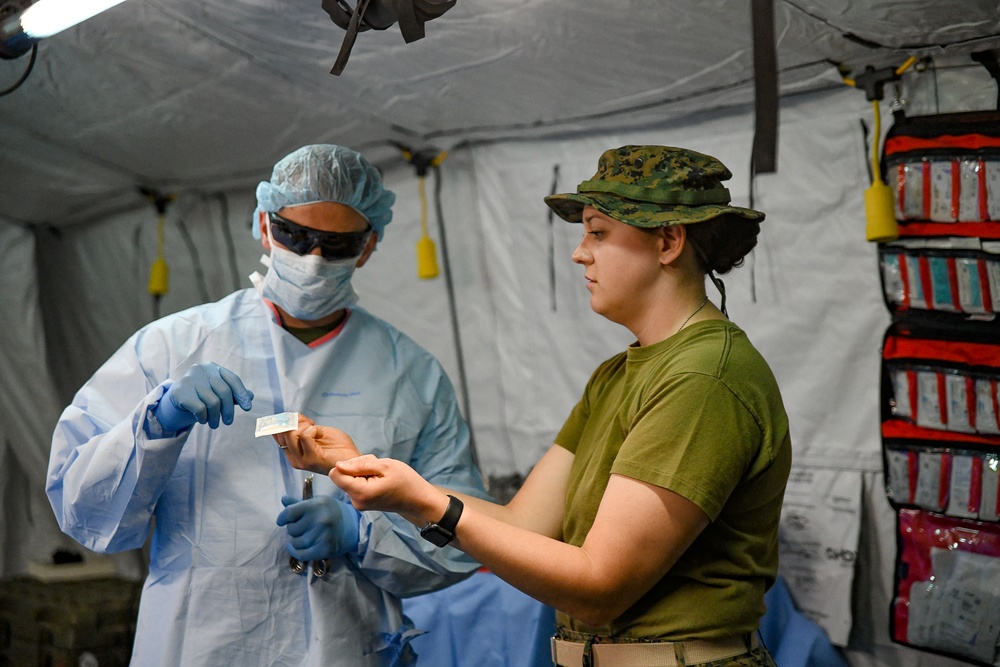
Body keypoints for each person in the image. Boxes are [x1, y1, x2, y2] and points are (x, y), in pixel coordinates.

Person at [278, 145, 792, 667]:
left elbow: (599, 587)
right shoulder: (619, 375)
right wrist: (359, 466)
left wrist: (424, 505)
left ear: (668, 241)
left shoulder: (703, 377)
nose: (579, 252)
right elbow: (522, 524)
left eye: (597, 232)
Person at [46, 144, 488, 667]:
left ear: (368, 246)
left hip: (349, 648)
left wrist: (362, 532)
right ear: (262, 225)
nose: (312, 258)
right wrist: (155, 424)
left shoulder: (411, 374)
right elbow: (81, 507)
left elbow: (466, 536)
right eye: (294, 235)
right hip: (202, 646)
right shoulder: (172, 346)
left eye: (336, 244)